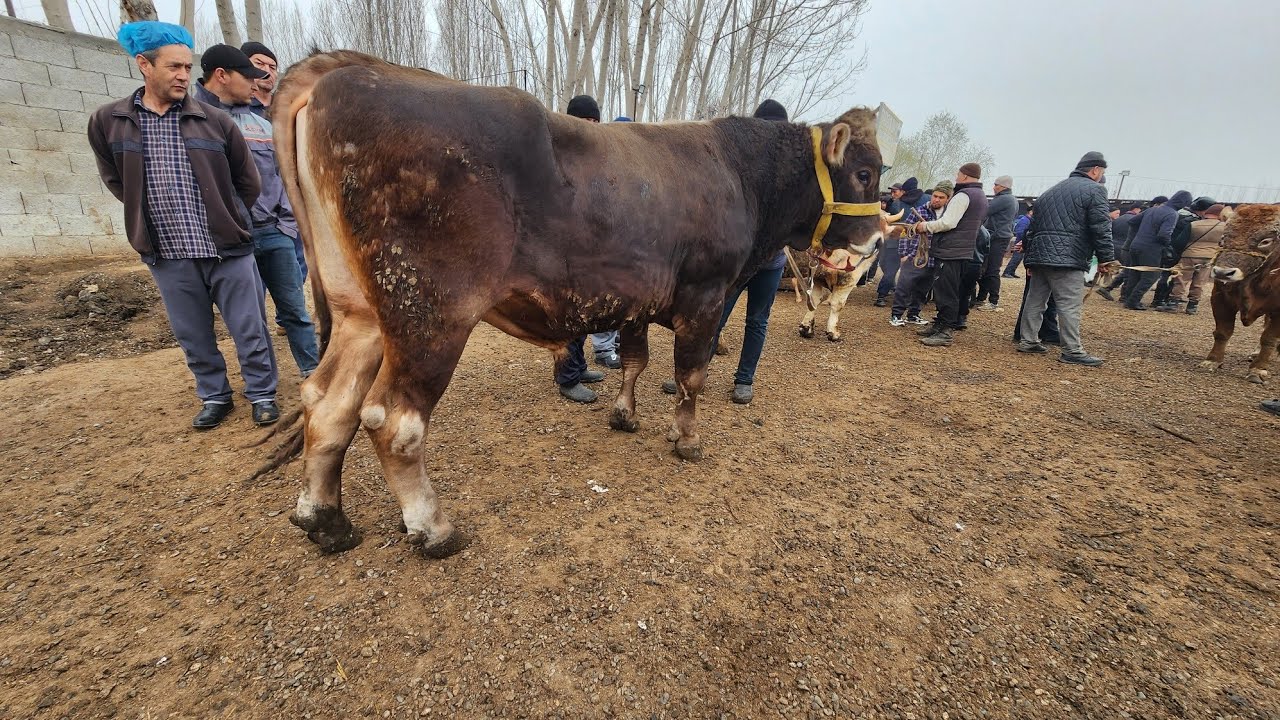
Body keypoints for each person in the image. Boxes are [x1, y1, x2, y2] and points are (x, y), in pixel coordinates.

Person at [88, 22, 279, 429]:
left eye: (188, 67)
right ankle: (215, 396)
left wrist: (231, 218)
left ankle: (262, 394)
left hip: (226, 248)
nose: (182, 76)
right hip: (168, 252)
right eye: (174, 66)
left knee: (250, 329)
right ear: (144, 65)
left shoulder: (213, 120)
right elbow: (116, 180)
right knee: (193, 335)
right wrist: (149, 214)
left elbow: (248, 182)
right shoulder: (109, 121)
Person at [193, 44, 320, 379]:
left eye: (268, 69)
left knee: (294, 310)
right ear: (223, 75)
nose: (260, 79)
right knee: (250, 318)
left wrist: (286, 224)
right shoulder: (191, 119)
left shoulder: (262, 124)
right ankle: (264, 387)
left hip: (274, 230)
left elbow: (283, 177)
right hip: (231, 239)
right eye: (252, 71)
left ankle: (314, 372)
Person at [660, 99, 791, 404]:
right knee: (714, 317)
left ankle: (744, 380)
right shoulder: (745, 166)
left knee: (757, 321)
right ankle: (695, 374)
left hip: (770, 265)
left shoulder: (788, 178)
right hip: (738, 261)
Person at [1016, 151, 1117, 366]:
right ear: (1096, 170)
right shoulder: (1096, 190)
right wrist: (1106, 258)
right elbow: (1101, 226)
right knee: (1069, 304)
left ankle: (1029, 340)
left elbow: (1032, 230)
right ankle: (1072, 350)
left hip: (1040, 255)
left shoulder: (1049, 193)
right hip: (1068, 256)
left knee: (1035, 301)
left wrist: (1029, 258)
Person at [555, 94, 609, 402]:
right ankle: (567, 377)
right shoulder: (561, 156)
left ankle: (578, 365)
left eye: (595, 122)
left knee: (586, 314)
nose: (590, 127)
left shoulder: (594, 157)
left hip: (591, 248)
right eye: (585, 121)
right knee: (569, 316)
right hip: (568, 250)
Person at [913, 163, 989, 347]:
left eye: (958, 174)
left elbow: (949, 222)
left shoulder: (963, 195)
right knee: (950, 289)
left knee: (946, 291)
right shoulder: (981, 196)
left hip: (950, 251)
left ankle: (945, 330)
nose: (956, 176)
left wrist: (926, 226)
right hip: (963, 250)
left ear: (964, 176)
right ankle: (940, 325)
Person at [889, 184, 951, 326]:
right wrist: (904, 254)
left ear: (948, 199)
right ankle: (896, 315)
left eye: (941, 197)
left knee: (923, 288)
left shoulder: (949, 216)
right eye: (935, 196)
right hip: (915, 256)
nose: (936, 200)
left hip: (934, 257)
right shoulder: (919, 211)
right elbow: (905, 232)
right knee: (904, 286)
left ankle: (913, 314)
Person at [1121, 190, 1191, 310]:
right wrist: (1169, 246)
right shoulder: (1172, 214)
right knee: (1151, 275)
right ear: (1183, 203)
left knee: (1135, 273)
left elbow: (1132, 221)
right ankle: (1133, 301)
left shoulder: (1153, 209)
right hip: (1152, 248)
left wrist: (1140, 235)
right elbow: (1164, 235)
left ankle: (1128, 299)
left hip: (1135, 244)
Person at [1165, 203, 1226, 314]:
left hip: (1190, 255)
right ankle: (1192, 306)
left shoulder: (1194, 224)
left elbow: (1179, 242)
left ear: (1207, 213)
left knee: (1181, 279)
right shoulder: (1225, 227)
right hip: (1209, 257)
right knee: (1199, 282)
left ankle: (1173, 303)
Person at [1097, 200, 1161, 300]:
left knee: (1127, 270)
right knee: (1130, 271)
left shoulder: (1119, 219)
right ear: (1138, 209)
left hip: (1116, 245)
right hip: (1129, 247)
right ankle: (1122, 295)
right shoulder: (1139, 221)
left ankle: (1109, 288)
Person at [875, 177, 924, 307]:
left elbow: (891, 219)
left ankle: (881, 296)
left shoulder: (898, 203)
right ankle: (906, 296)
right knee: (912, 271)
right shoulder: (925, 201)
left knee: (890, 269)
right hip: (916, 242)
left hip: (895, 239)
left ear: (904, 190)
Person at [974, 175, 1017, 311]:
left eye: (996, 185)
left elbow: (983, 211)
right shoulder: (1012, 199)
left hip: (996, 237)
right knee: (987, 268)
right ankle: (981, 298)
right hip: (1000, 236)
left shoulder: (1003, 199)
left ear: (1004, 187)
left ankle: (993, 301)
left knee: (992, 269)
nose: (994, 187)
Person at [240, 41, 277, 118]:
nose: (267, 71)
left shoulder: (288, 106)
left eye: (272, 67)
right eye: (259, 64)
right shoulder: (236, 108)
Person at [1003, 207, 1032, 278]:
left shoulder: (1027, 220)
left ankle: (1011, 271)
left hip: (1022, 241)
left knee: (1018, 258)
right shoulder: (1025, 220)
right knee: (1016, 257)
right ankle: (1007, 272)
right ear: (1030, 212)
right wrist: (1023, 240)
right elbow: (1020, 231)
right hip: (1020, 241)